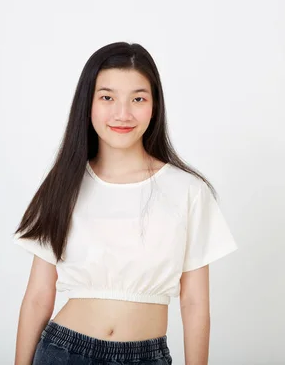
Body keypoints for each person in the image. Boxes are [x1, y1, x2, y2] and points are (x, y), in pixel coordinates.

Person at [12, 42, 238, 365]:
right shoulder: (62, 186)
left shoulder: (188, 191)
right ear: (87, 104)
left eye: (138, 99)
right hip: (63, 352)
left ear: (154, 105)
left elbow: (194, 303)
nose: (123, 113)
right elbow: (37, 297)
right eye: (107, 97)